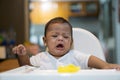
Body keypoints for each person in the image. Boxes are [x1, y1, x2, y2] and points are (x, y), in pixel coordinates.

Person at [12, 17, 120, 70]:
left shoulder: (74, 56)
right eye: (55, 36)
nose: (60, 39)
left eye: (65, 37)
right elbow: (26, 67)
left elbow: (89, 59)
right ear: (45, 41)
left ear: (71, 42)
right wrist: (22, 55)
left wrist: (106, 66)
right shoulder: (41, 58)